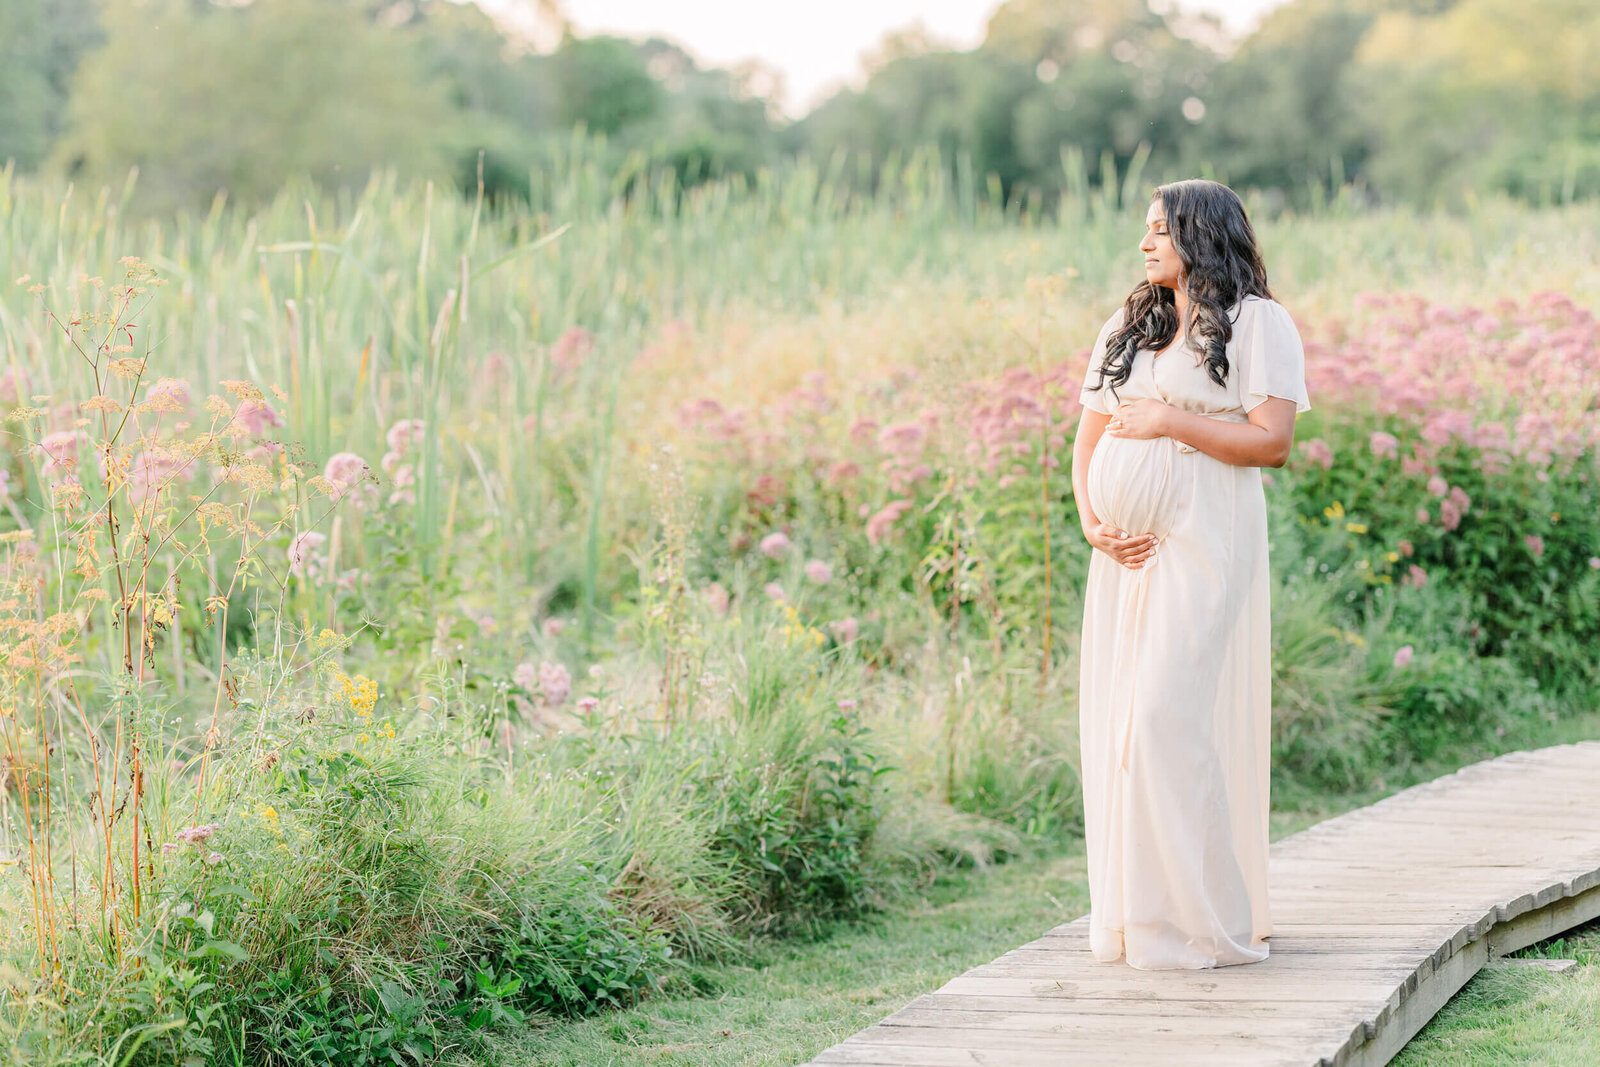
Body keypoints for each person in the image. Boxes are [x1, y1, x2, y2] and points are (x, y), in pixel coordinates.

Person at [1070, 178, 1310, 970]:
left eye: (1159, 230)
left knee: (1162, 715)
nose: (1144, 243)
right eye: (1143, 229)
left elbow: (1271, 442)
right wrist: (1091, 521)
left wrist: (1170, 420)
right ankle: (1142, 918)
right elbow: (1091, 434)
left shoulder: (1257, 323)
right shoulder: (1131, 321)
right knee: (1125, 726)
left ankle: (1207, 921)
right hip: (1127, 549)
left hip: (1207, 535)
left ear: (1202, 235)